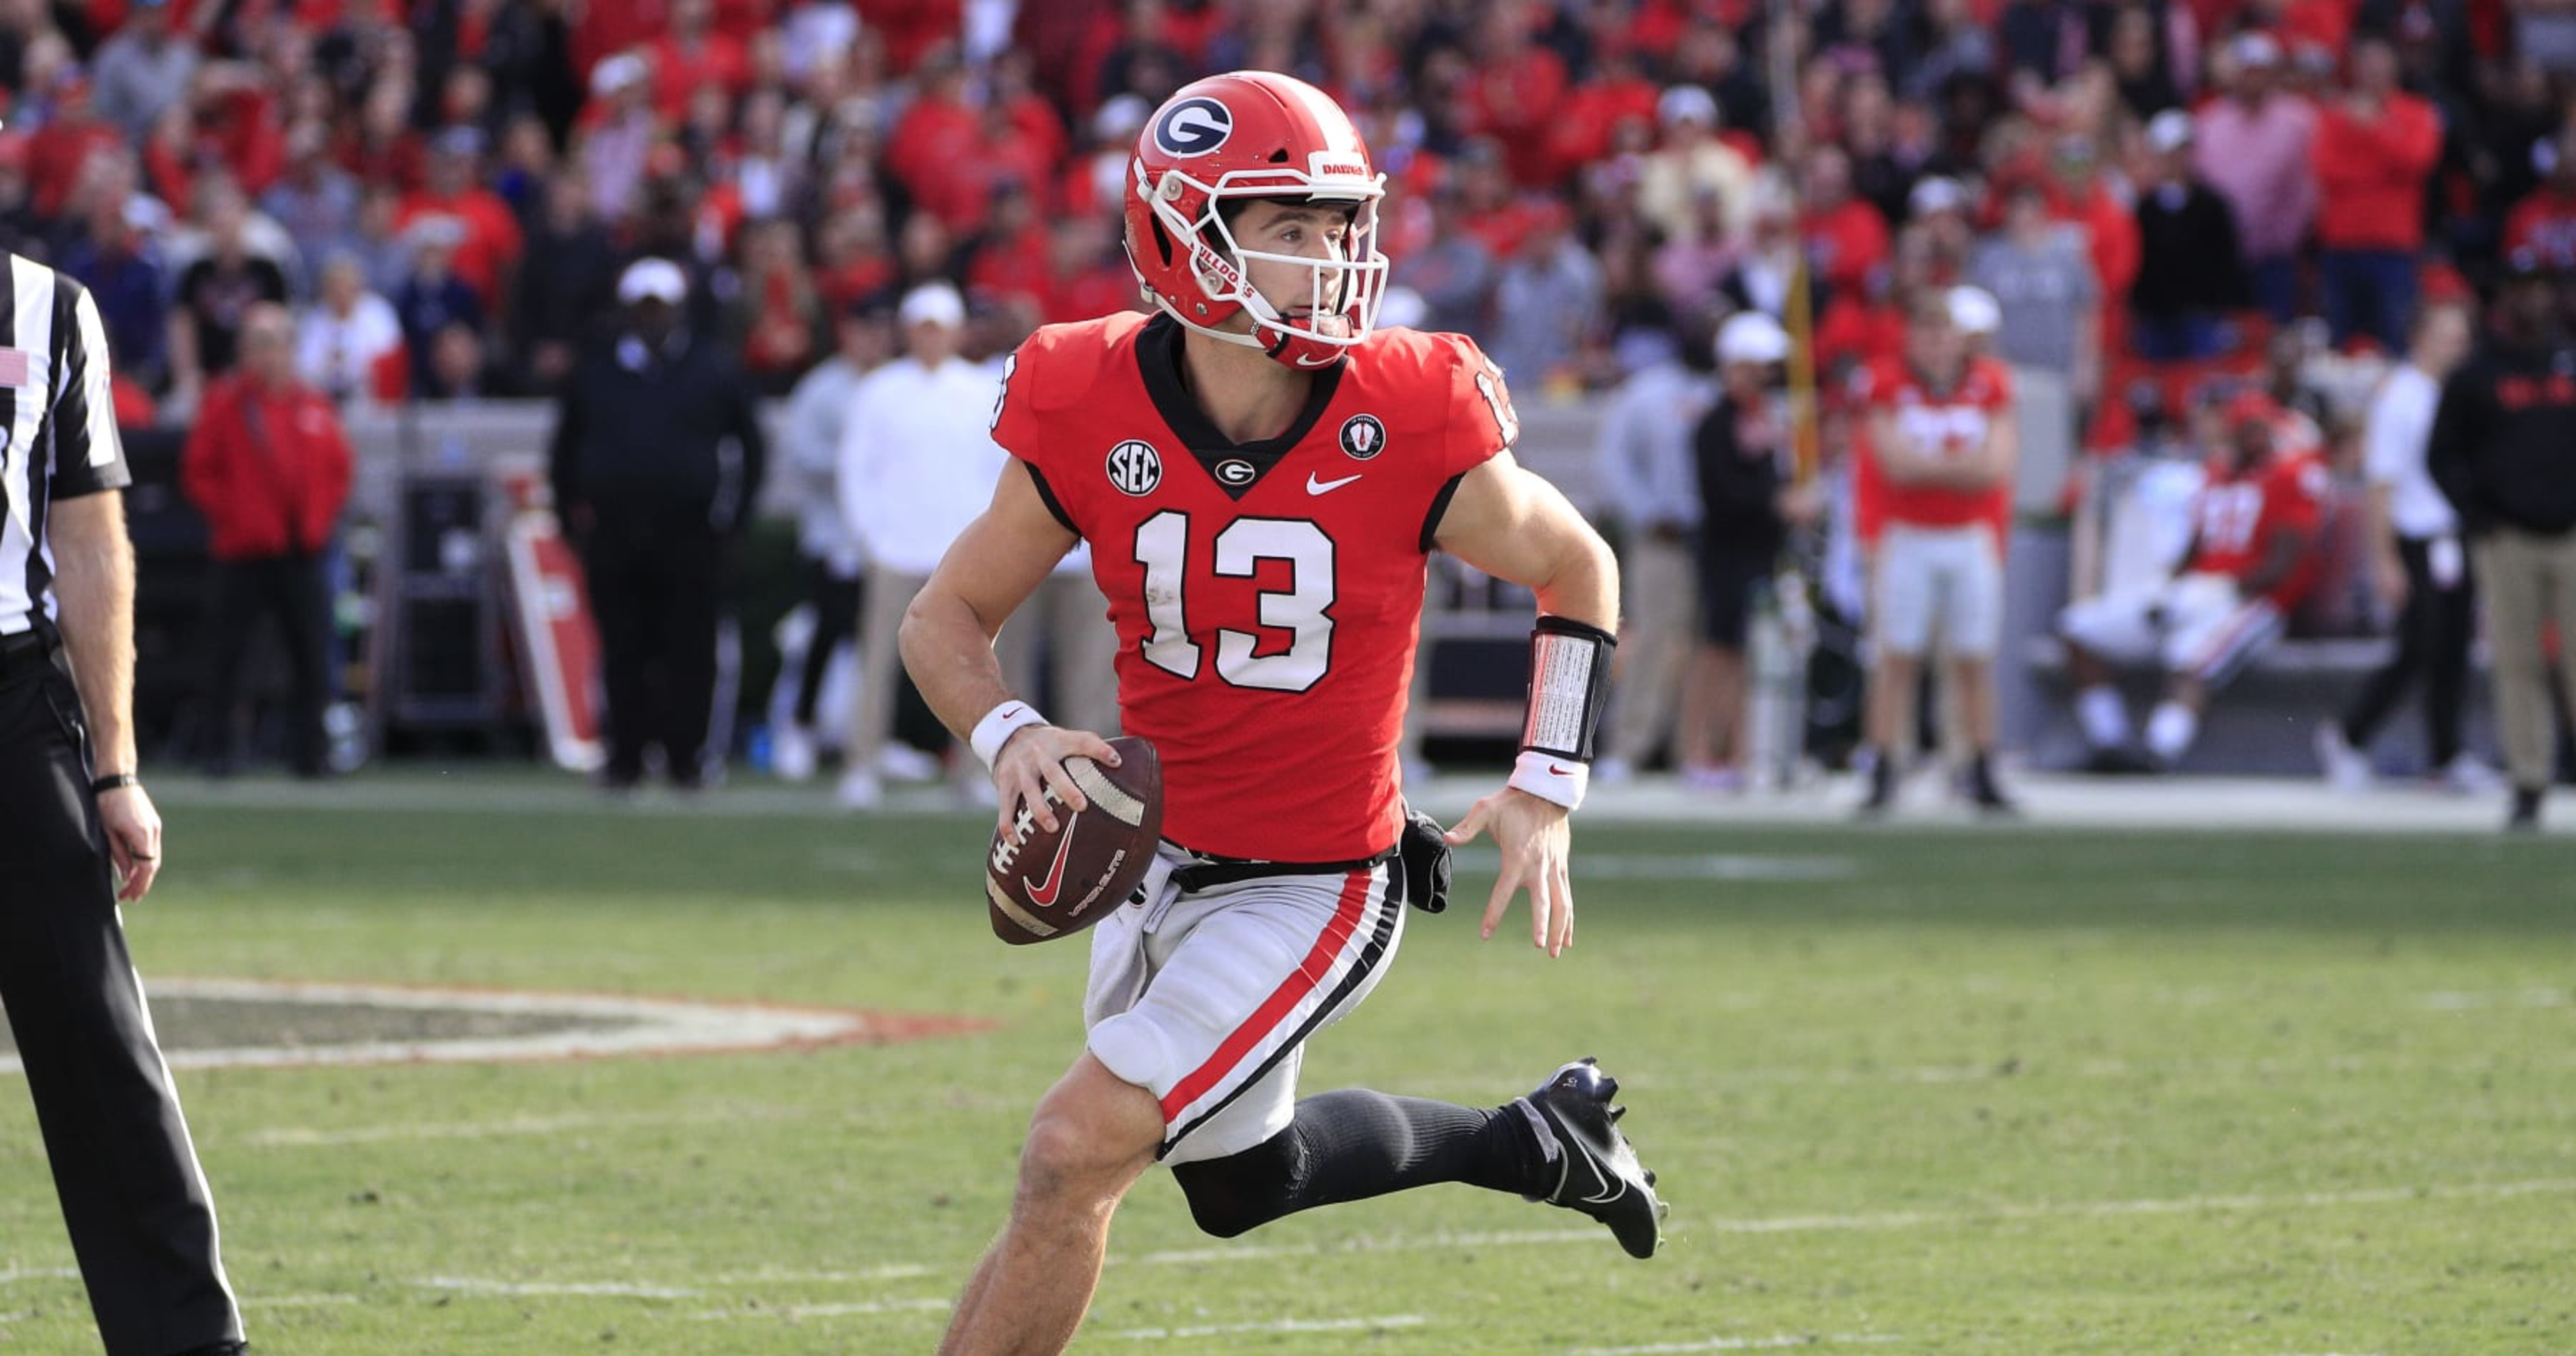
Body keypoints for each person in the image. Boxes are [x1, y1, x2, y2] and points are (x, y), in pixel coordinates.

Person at [898, 73, 1660, 1356]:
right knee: (1236, 1188)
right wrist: (1011, 733)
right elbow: (943, 618)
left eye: (1340, 226)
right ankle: (1540, 1141)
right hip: (1152, 858)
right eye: (1289, 227)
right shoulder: (1087, 393)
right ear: (1181, 234)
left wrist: (1548, 781)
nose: (1331, 259)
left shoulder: (1413, 406)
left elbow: (1578, 565)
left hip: (1314, 884)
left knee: (1066, 1156)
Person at [1, 246, 245, 1355]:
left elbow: (90, 537)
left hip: (12, 699)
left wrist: (116, 766)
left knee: (99, 1038)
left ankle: (187, 1341)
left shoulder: (51, 309)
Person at [548, 258, 769, 793]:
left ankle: (686, 758)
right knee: (623, 647)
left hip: (690, 530)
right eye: (643, 310)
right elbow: (564, 449)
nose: (652, 320)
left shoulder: (711, 367)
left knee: (689, 648)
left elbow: (752, 446)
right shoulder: (597, 369)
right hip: (615, 530)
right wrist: (568, 519)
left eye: (661, 309)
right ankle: (623, 756)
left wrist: (733, 519)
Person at [2061, 391, 2329, 772]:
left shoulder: (2292, 475)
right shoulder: (2214, 474)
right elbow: (2195, 547)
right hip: (2196, 594)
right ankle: (2110, 743)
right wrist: (2168, 590)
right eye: (2245, 428)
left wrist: (2219, 588)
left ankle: (2158, 754)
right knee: (2079, 630)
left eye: (2259, 428)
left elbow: (2285, 562)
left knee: (2190, 657)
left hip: (2253, 601)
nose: (2254, 438)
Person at [832, 282, 1013, 810]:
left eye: (940, 329)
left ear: (956, 332)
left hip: (962, 557)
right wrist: (868, 533)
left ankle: (976, 772)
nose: (932, 339)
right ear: (909, 332)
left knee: (975, 668)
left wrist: (991, 541)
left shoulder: (982, 390)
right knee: (877, 664)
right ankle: (862, 764)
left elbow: (997, 470)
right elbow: (856, 469)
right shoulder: (880, 390)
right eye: (923, 329)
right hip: (895, 550)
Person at [1853, 292, 2018, 814]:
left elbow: (1996, 465)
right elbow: (1893, 463)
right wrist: (1957, 466)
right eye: (1927, 334)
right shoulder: (1886, 381)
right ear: (1912, 338)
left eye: (1945, 334)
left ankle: (1981, 766)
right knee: (1897, 657)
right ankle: (1883, 765)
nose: (1937, 345)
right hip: (1908, 535)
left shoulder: (1990, 382)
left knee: (1975, 658)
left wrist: (1931, 466)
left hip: (1970, 536)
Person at [2428, 255, 2576, 831]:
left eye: (2542, 289)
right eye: (2522, 290)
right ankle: (2529, 780)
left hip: (2571, 532)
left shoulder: (2568, 362)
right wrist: (2477, 513)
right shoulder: (2476, 374)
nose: (2534, 301)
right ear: (2502, 299)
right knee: (2517, 663)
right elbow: (2442, 455)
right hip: (2507, 535)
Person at [2316, 301, 2489, 791]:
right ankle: (2350, 733)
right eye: (2448, 336)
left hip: (2455, 536)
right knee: (2418, 645)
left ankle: (2446, 752)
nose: (2458, 346)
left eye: (2462, 337)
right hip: (2415, 536)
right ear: (2420, 338)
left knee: (2455, 648)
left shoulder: (2456, 393)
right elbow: (2380, 484)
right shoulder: (2400, 397)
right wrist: (2384, 559)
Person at [180, 302, 353, 778]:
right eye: (257, 346)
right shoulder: (227, 403)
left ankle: (311, 755)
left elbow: (339, 468)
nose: (267, 356)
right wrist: (236, 517)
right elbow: (199, 471)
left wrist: (320, 519)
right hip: (243, 550)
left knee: (312, 656)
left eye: (274, 345)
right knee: (227, 656)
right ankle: (217, 751)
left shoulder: (312, 405)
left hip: (301, 548)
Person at [1683, 311, 1809, 790]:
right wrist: (1777, 502)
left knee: (1740, 654)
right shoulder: (1716, 422)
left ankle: (1735, 752)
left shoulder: (1760, 419)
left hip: (1756, 550)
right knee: (1718, 653)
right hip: (1726, 551)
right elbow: (1721, 491)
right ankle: (1700, 750)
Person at [1592, 308, 1717, 783]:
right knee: (1654, 644)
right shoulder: (1647, 392)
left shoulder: (1726, 388)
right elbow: (1614, 460)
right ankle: (1630, 746)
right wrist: (1646, 513)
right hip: (1663, 539)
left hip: (1720, 542)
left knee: (1708, 649)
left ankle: (1696, 750)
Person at [769, 296, 886, 782]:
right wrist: (855, 466)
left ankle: (872, 733)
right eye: (866, 330)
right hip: (833, 533)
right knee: (827, 629)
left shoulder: (892, 386)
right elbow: (801, 455)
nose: (874, 341)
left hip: (882, 536)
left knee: (878, 638)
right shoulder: (823, 389)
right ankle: (800, 725)